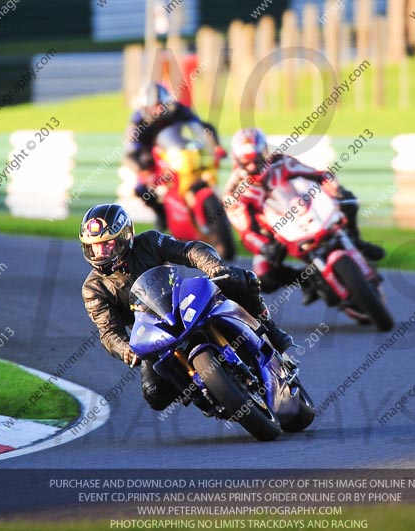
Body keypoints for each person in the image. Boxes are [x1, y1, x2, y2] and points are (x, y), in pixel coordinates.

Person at [79, 203, 293, 411]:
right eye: (94, 247)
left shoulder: (150, 241)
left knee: (239, 279)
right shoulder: (93, 288)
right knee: (154, 395)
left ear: (125, 237)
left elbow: (189, 250)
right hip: (151, 334)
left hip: (182, 302)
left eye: (107, 244)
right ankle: (205, 395)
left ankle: (269, 329)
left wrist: (214, 267)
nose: (101, 253)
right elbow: (108, 331)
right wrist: (125, 349)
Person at [223, 127, 385, 303]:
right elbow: (245, 232)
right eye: (247, 162)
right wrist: (264, 246)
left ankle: (356, 241)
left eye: (257, 159)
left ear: (264, 152)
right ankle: (307, 280)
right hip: (270, 233)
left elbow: (320, 175)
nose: (253, 166)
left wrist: (338, 191)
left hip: (299, 208)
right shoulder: (234, 191)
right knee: (265, 276)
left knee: (348, 202)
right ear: (236, 159)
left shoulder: (280, 162)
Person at [123, 83, 222, 232]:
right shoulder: (138, 120)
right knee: (142, 189)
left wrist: (214, 145)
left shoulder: (178, 110)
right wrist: (140, 164)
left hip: (182, 150)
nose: (157, 109)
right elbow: (132, 145)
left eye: (160, 105)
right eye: (153, 106)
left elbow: (200, 126)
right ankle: (162, 214)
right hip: (152, 157)